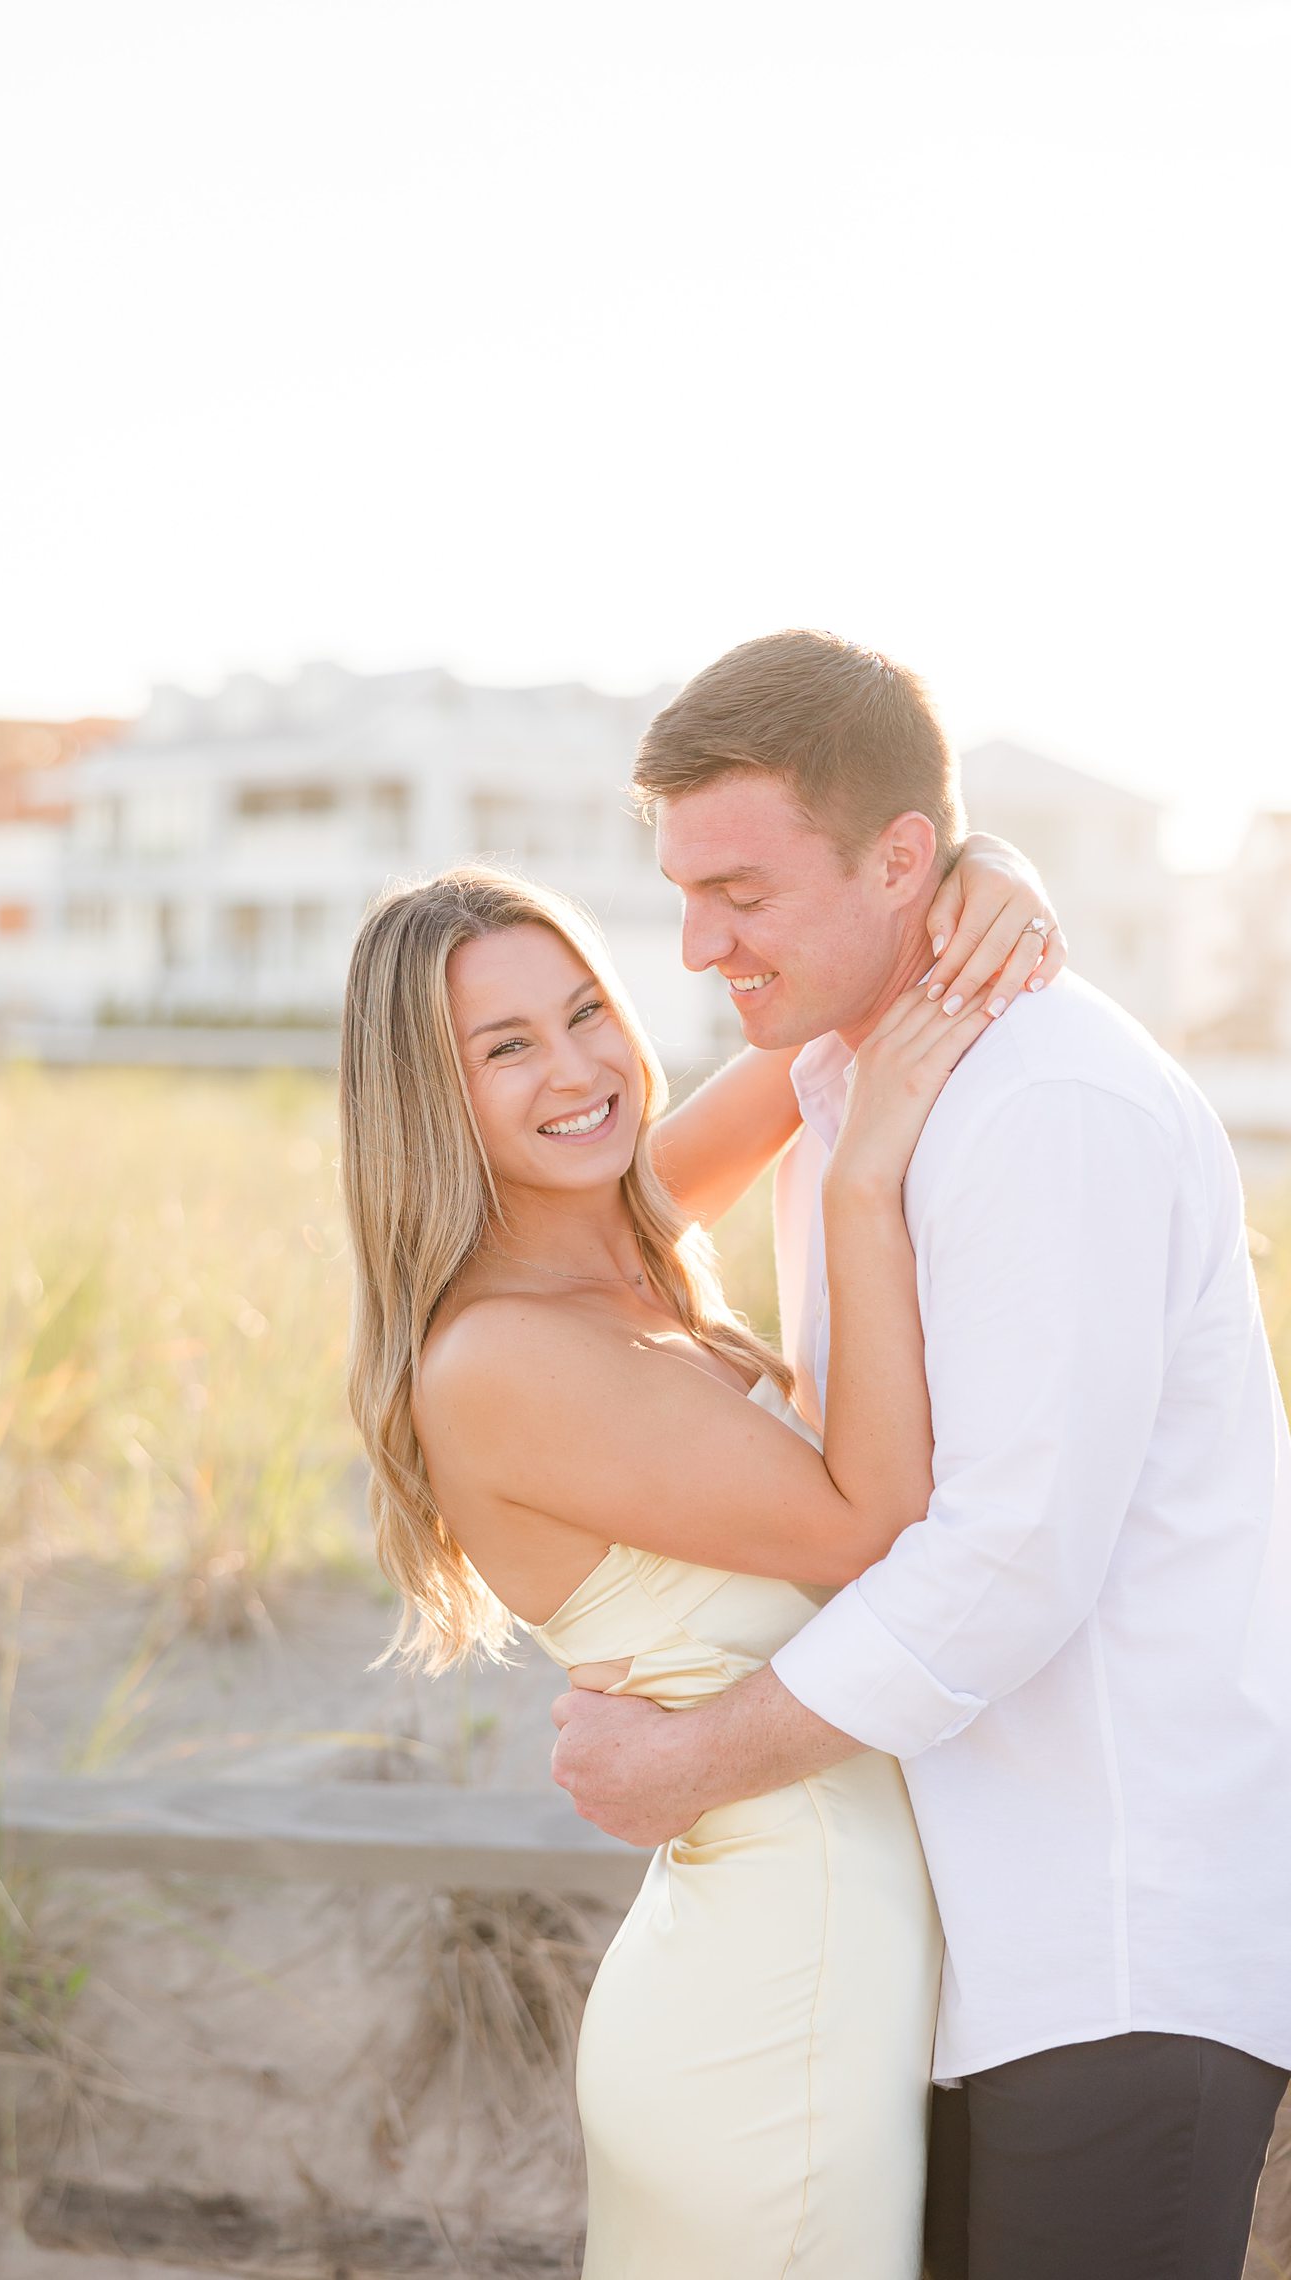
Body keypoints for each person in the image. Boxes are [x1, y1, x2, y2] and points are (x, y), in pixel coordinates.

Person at [549, 628, 1291, 2280]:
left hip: (1115, 1934)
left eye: (740, 891)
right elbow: (603, 1236)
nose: (697, 945)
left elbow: (1007, 1560)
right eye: (683, 892)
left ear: (899, 862)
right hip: (968, 1938)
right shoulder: (839, 1079)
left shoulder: (1047, 1104)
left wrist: (688, 1764)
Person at [339, 831, 1061, 2278]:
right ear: (433, 1099)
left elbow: (828, 1035)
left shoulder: (612, 1245)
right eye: (506, 1047)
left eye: (587, 1011)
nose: (575, 1069)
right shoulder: (500, 1356)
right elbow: (871, 1520)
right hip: (767, 1986)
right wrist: (862, 1191)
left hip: (829, 1958)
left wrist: (989, 877)